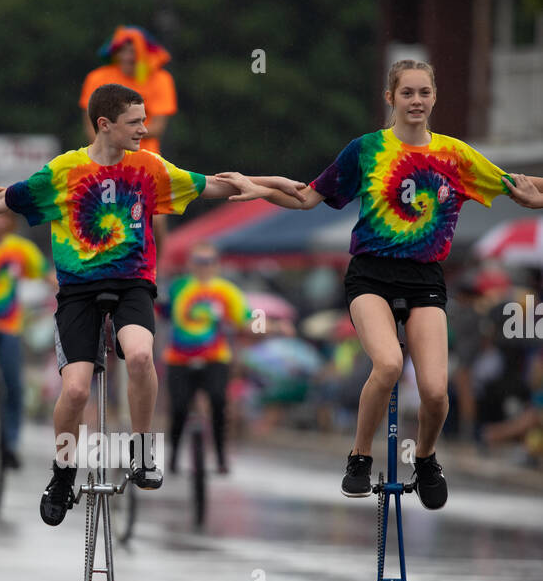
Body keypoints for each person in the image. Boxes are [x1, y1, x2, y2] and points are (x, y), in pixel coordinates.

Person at [0, 83, 305, 524]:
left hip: (133, 285)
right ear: (104, 125)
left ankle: (144, 449)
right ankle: (62, 471)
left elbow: (216, 185)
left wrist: (269, 184)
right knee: (75, 389)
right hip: (78, 291)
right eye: (135, 122)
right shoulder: (63, 171)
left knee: (139, 355)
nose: (145, 129)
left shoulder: (148, 167)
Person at [223, 59, 543, 509]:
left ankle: (427, 458)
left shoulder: (456, 156)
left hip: (425, 279)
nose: (416, 101)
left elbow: (522, 187)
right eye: (407, 93)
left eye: (424, 93)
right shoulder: (367, 149)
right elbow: (308, 196)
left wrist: (532, 194)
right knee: (389, 364)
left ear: (434, 97)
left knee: (435, 389)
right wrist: (259, 187)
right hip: (371, 275)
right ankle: (359, 456)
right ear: (390, 98)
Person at [0, 207, 55, 470]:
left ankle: (11, 443)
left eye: (2, 216)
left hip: (10, 325)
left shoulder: (20, 248)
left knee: (14, 384)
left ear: (10, 220)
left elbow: (46, 275)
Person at [80, 27, 179, 257]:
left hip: (147, 159)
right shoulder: (98, 78)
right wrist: (105, 148)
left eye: (133, 51)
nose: (128, 56)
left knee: (157, 222)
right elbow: (90, 124)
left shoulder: (160, 79)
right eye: (122, 50)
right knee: (99, 216)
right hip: (105, 158)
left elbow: (156, 128)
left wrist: (116, 133)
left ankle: (157, 272)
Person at [160, 243, 251, 474]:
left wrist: (272, 326)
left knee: (219, 401)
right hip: (178, 358)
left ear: (216, 265)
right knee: (179, 408)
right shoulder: (177, 287)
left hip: (215, 358)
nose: (203, 267)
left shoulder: (227, 290)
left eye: (208, 262)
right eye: (199, 262)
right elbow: (161, 310)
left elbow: (247, 317)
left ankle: (220, 458)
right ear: (190, 264)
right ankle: (173, 458)